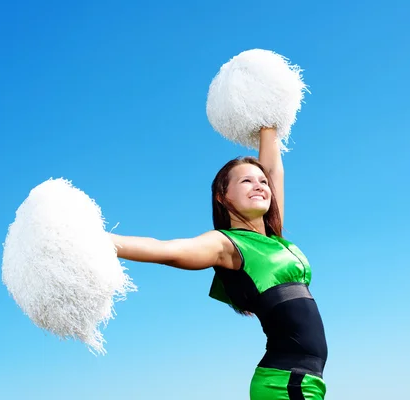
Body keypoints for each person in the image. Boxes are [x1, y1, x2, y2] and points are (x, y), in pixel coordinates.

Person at [110, 127, 328, 399]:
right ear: (223, 197)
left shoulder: (274, 240)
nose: (260, 185)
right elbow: (167, 250)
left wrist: (269, 115)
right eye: (246, 181)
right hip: (284, 383)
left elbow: (273, 170)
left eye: (262, 181)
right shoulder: (226, 244)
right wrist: (98, 241)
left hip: (303, 380)